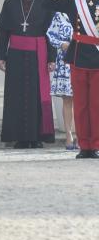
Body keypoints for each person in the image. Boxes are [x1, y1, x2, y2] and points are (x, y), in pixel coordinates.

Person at [43, 0, 99, 158]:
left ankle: (95, 144)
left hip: (97, 58)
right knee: (81, 105)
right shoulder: (76, 0)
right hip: (78, 57)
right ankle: (85, 146)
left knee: (96, 105)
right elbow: (46, 4)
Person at [0, 0, 55, 149]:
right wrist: (0, 56)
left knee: (36, 95)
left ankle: (36, 137)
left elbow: (50, 33)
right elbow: (4, 32)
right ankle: (19, 137)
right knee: (16, 95)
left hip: (39, 54)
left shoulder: (46, 2)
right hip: (15, 55)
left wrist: (51, 58)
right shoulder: (9, 2)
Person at [47, 12, 76, 150]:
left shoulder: (89, 9)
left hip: (85, 58)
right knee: (67, 99)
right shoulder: (60, 15)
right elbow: (50, 34)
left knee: (84, 101)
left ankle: (84, 136)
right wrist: (61, 43)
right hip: (65, 62)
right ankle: (69, 135)